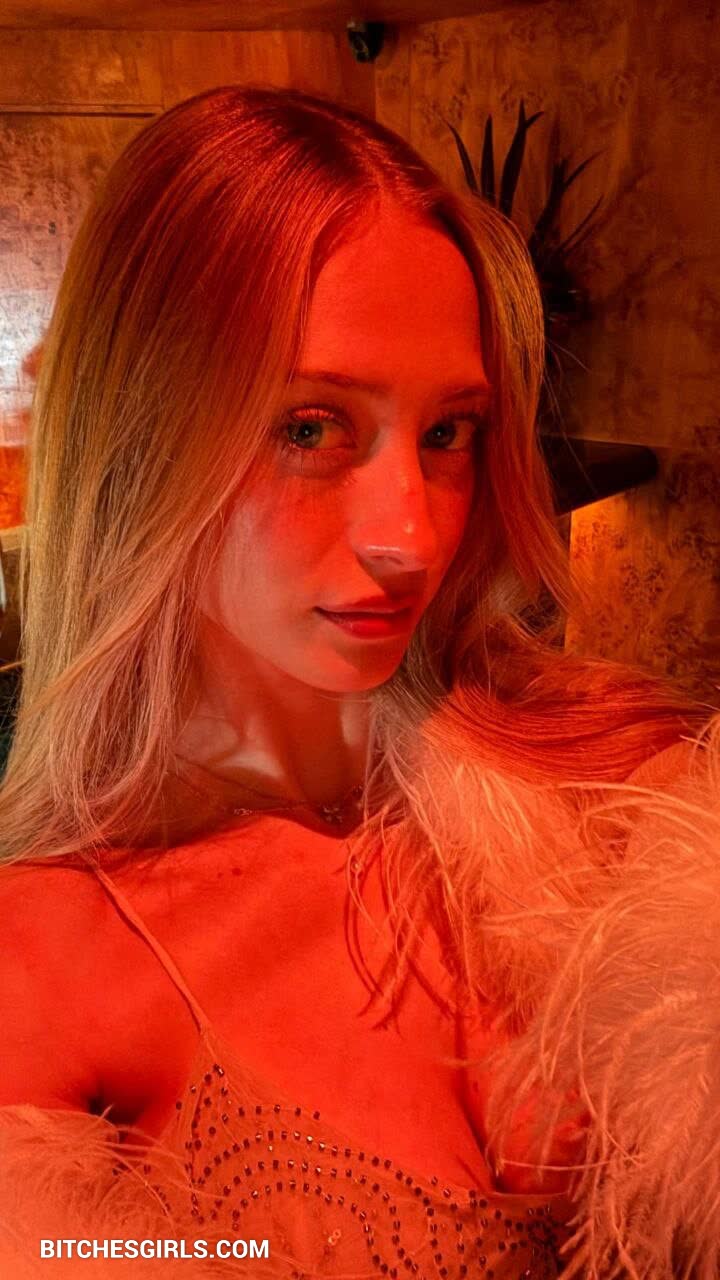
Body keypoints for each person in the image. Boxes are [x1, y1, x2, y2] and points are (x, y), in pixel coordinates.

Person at [0, 83, 717, 1279]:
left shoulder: (624, 782)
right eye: (311, 426)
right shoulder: (50, 959)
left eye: (448, 433)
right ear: (142, 436)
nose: (410, 536)